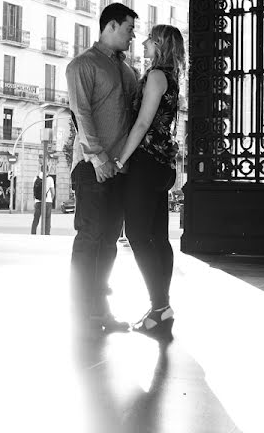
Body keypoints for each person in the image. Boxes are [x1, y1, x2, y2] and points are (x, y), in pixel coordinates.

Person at [67, 2, 139, 337]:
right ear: (110, 26)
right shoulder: (82, 65)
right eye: (128, 28)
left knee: (109, 241)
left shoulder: (128, 71)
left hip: (120, 170)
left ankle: (101, 311)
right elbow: (81, 113)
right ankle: (82, 314)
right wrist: (98, 158)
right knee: (91, 239)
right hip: (91, 167)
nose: (133, 36)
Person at [114, 24, 186, 339]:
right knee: (157, 237)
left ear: (158, 44)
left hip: (146, 162)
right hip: (162, 163)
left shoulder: (156, 77)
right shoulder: (170, 78)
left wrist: (121, 158)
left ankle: (159, 307)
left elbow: (143, 122)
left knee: (140, 236)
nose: (142, 42)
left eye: (148, 39)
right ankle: (162, 307)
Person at [30, 171, 55, 235]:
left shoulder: (36, 178)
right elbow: (53, 192)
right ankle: (46, 234)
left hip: (37, 202)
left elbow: (34, 191)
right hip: (48, 201)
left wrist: (35, 200)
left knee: (36, 219)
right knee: (47, 219)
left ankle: (33, 233)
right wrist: (51, 199)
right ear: (48, 170)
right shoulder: (50, 179)